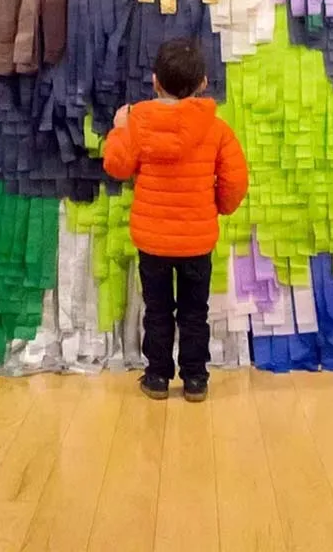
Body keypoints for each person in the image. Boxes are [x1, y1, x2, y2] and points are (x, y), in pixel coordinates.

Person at [102, 38, 249, 403]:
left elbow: (116, 167)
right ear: (202, 83)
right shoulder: (216, 129)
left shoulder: (137, 123)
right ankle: (196, 379)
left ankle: (156, 377)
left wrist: (120, 127)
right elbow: (235, 182)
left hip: (152, 241)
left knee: (158, 310)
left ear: (154, 81)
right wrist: (216, 207)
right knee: (194, 312)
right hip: (197, 240)